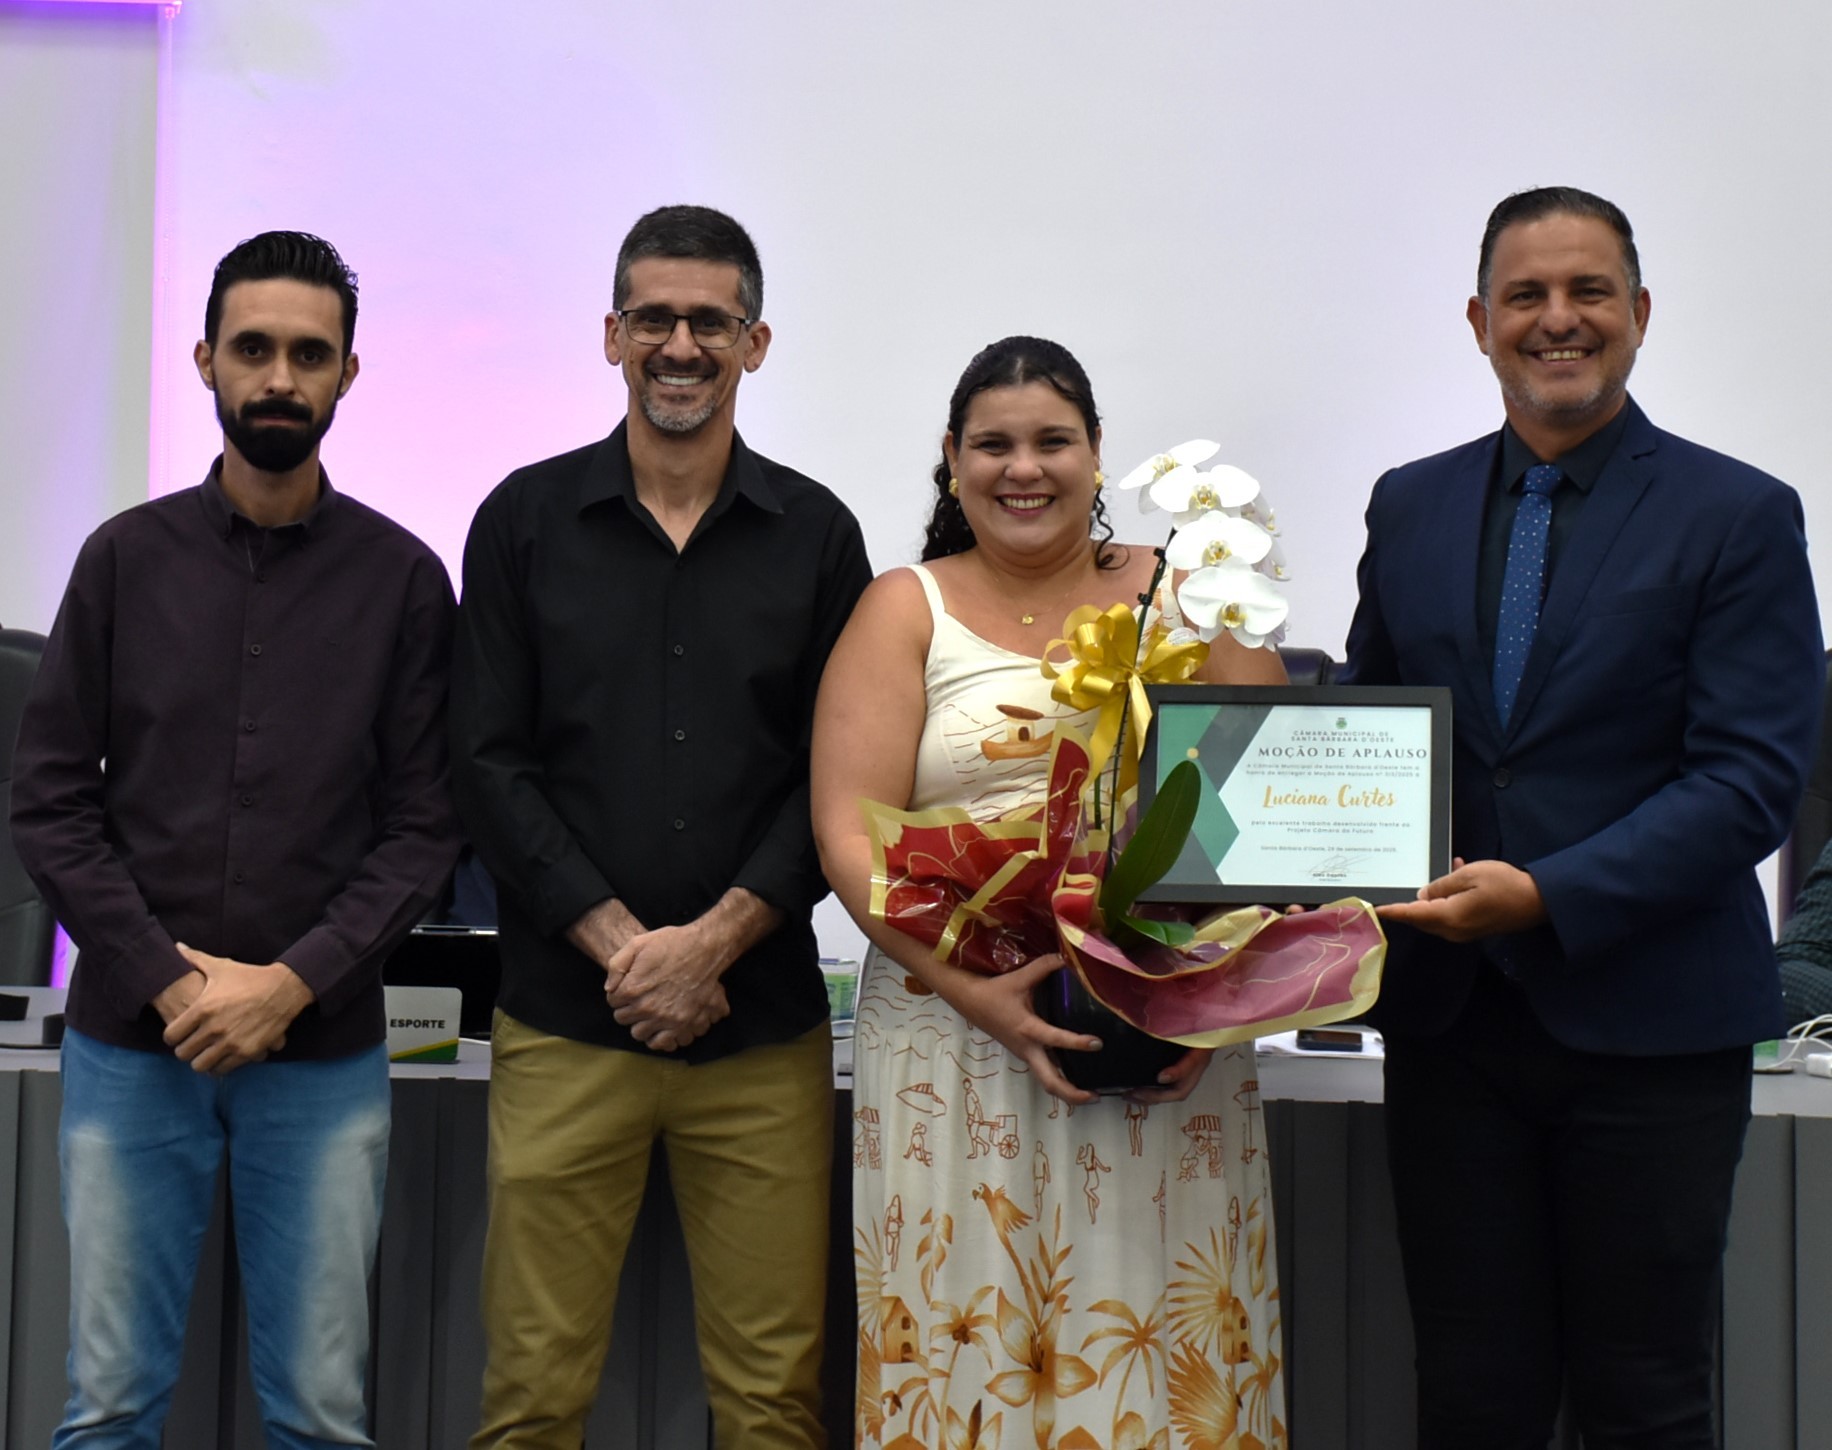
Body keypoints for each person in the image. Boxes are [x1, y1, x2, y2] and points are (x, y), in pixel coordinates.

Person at [1342, 187, 1822, 1446]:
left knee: (1642, 1395)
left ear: (1638, 313)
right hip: (1450, 1027)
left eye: (1586, 291)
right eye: (1525, 296)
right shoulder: (1408, 503)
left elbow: (1745, 783)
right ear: (1478, 322)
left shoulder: (1737, 513)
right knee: (1468, 1391)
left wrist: (1544, 894)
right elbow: (1366, 731)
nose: (1556, 319)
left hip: (1652, 1028)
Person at [10, 231, 460, 1448]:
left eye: (308, 355)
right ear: (204, 358)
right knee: (108, 1407)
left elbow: (426, 827)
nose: (278, 377)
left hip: (320, 1054)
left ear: (347, 373)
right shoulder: (122, 560)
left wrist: (287, 985)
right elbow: (48, 799)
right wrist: (169, 980)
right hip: (130, 1046)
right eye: (252, 348)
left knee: (318, 1416)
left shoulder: (404, 582)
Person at [812, 336, 1290, 1449]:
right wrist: (969, 991)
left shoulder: (1188, 590)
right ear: (951, 458)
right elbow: (846, 833)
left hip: (1167, 1046)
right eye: (993, 444)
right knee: (969, 1346)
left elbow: (1270, 808)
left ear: (1097, 453)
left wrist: (1211, 1005)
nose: (1022, 469)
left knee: (1159, 1352)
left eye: (1051, 442)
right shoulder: (903, 607)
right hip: (953, 1043)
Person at [450, 205, 871, 1449]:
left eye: (709, 322)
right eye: (654, 319)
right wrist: (628, 950)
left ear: (755, 343)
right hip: (564, 1023)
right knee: (529, 1399)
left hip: (760, 1037)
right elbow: (486, 763)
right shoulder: (522, 522)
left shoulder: (819, 538)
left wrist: (712, 945)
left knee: (772, 1405)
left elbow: (838, 780)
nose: (679, 345)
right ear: (611, 334)